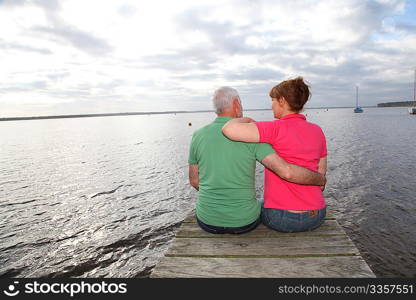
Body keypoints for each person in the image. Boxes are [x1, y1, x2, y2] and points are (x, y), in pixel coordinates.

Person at [188, 86, 326, 235]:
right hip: (244, 222)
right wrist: (320, 179)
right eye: (240, 102)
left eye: (272, 100)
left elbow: (195, 181)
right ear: (236, 104)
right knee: (259, 203)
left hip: (207, 220)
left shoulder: (197, 135)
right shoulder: (252, 137)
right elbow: (286, 169)